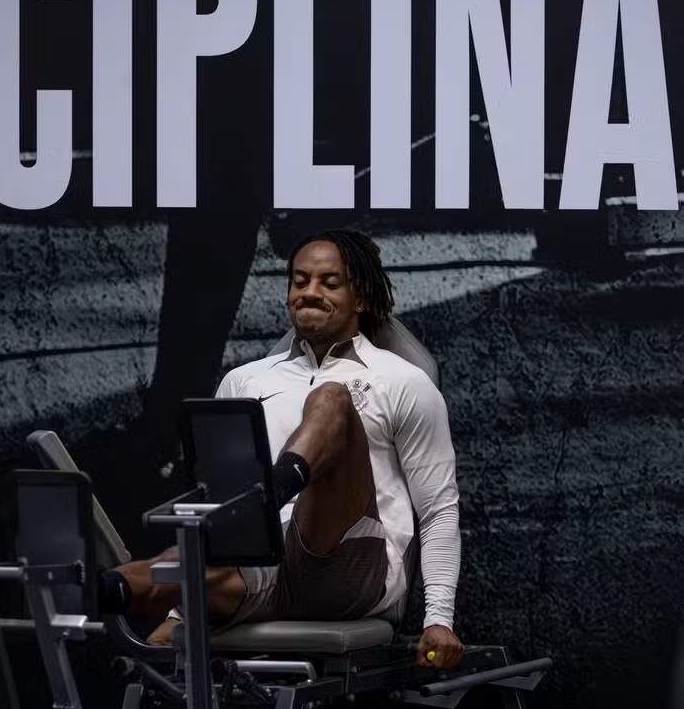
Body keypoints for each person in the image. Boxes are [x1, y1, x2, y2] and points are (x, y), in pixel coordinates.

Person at [99, 228, 465, 671]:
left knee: (331, 399)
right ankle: (99, 586)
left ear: (362, 298)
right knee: (157, 572)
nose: (309, 293)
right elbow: (220, 500)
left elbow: (439, 509)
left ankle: (273, 492)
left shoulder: (403, 381)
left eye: (330, 283)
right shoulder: (246, 381)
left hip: (347, 566)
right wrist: (179, 611)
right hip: (260, 567)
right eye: (299, 281)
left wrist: (439, 618)